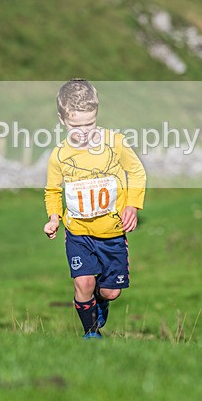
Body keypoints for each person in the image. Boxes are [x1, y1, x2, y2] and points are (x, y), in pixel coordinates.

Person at [43, 79, 147, 339]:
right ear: (62, 120)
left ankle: (100, 302)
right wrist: (54, 218)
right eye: (76, 125)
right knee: (84, 282)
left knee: (111, 291)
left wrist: (132, 205)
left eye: (89, 124)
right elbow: (53, 190)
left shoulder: (115, 143)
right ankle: (91, 333)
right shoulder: (59, 155)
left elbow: (136, 172)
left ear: (97, 115)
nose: (84, 131)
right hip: (79, 232)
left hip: (111, 232)